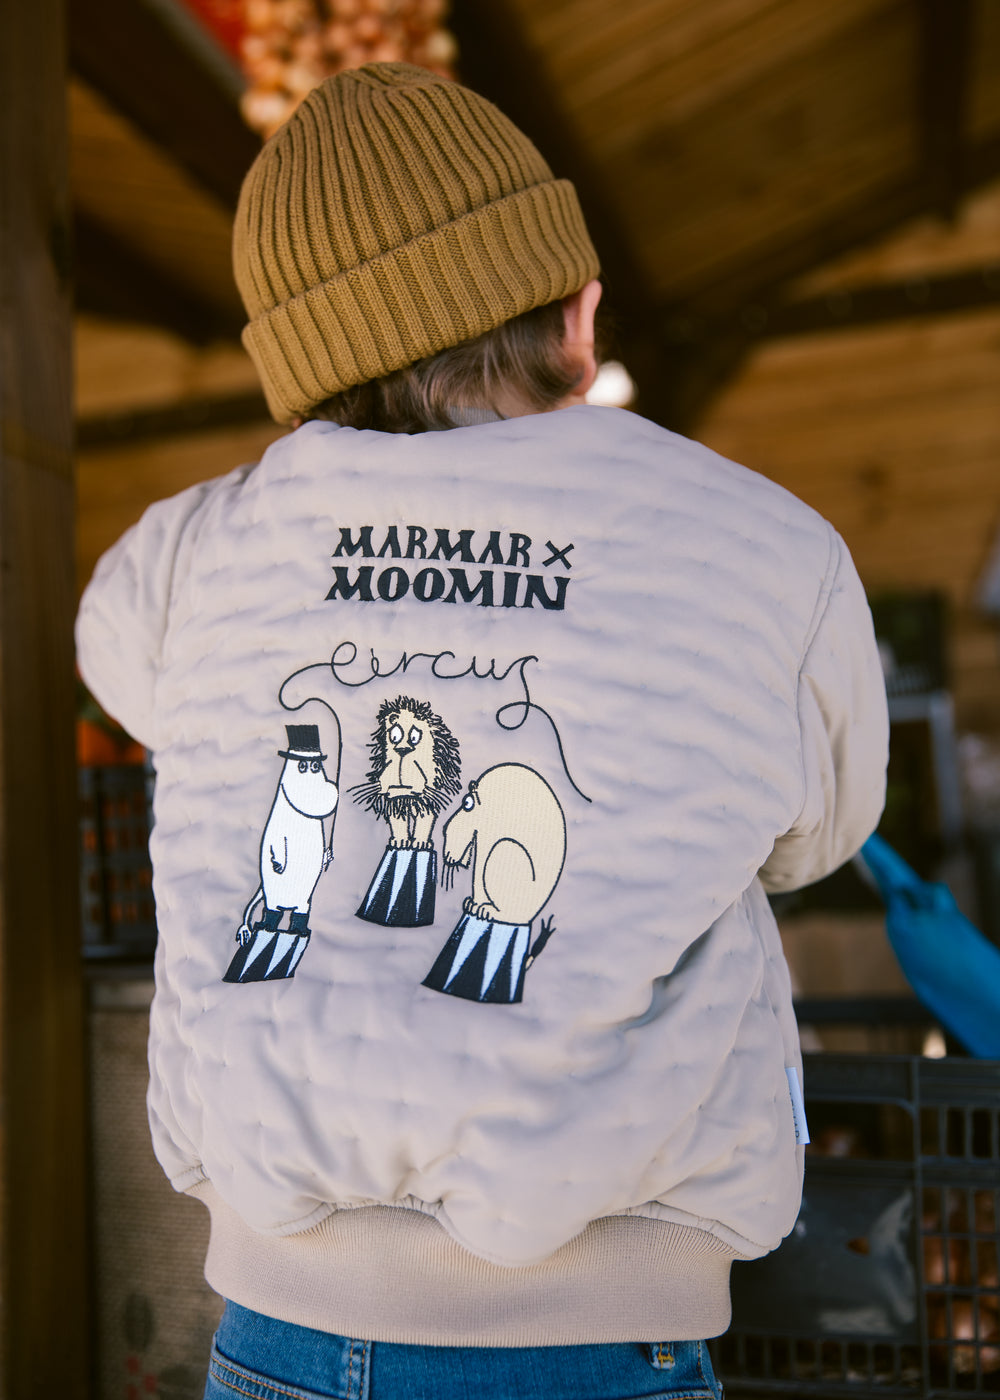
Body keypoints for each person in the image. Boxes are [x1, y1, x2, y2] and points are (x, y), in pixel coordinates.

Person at [76, 62, 889, 1400]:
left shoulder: (186, 554)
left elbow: (133, 674)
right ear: (576, 310)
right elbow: (820, 834)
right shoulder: (764, 548)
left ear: (301, 373)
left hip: (273, 1334)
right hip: (595, 1339)